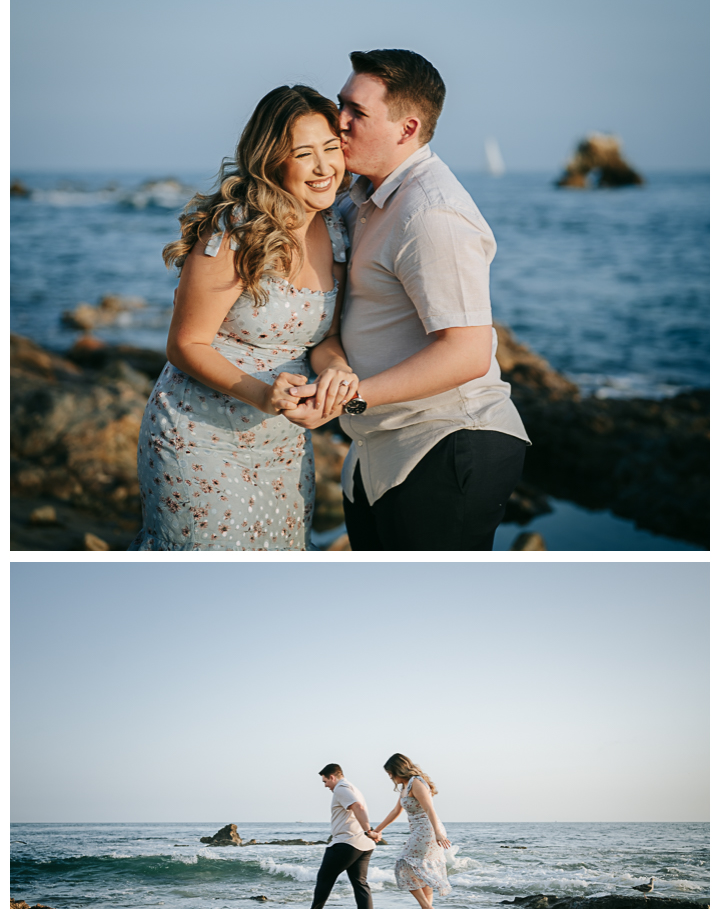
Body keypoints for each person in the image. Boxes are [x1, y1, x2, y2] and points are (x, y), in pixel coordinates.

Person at [285, 50, 530, 550]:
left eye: (358, 112)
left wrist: (345, 401)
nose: (340, 122)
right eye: (341, 105)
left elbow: (466, 353)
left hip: (447, 444)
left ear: (406, 128)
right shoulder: (362, 199)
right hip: (377, 451)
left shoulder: (431, 214)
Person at [128, 85, 359, 551]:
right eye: (304, 153)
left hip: (284, 446)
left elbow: (326, 335)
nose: (324, 167)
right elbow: (185, 344)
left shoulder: (335, 228)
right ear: (274, 160)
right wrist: (262, 394)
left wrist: (336, 369)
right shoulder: (235, 228)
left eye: (331, 149)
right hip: (199, 440)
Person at [370, 753, 450, 909]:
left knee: (403, 864)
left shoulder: (417, 782)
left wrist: (437, 832)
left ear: (399, 769)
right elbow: (395, 812)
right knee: (421, 872)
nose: (390, 777)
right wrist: (377, 831)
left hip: (428, 830)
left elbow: (430, 809)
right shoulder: (405, 786)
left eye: (391, 773)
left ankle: (426, 907)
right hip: (419, 831)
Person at [298, 764, 378, 909]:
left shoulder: (341, 788)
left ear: (332, 777)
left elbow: (358, 807)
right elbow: (359, 808)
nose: (325, 785)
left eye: (325, 781)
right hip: (363, 845)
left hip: (346, 843)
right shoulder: (353, 788)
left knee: (324, 879)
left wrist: (368, 830)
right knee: (360, 885)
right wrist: (367, 833)